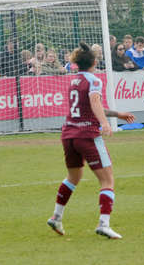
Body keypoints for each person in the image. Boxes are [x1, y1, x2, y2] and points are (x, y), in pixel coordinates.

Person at [46, 42, 136, 240]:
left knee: (73, 177)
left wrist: (117, 114)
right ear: (94, 62)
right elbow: (95, 102)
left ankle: (57, 216)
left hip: (69, 134)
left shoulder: (74, 80)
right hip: (87, 134)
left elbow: (91, 105)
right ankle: (104, 224)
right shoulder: (94, 80)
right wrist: (105, 123)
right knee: (107, 180)